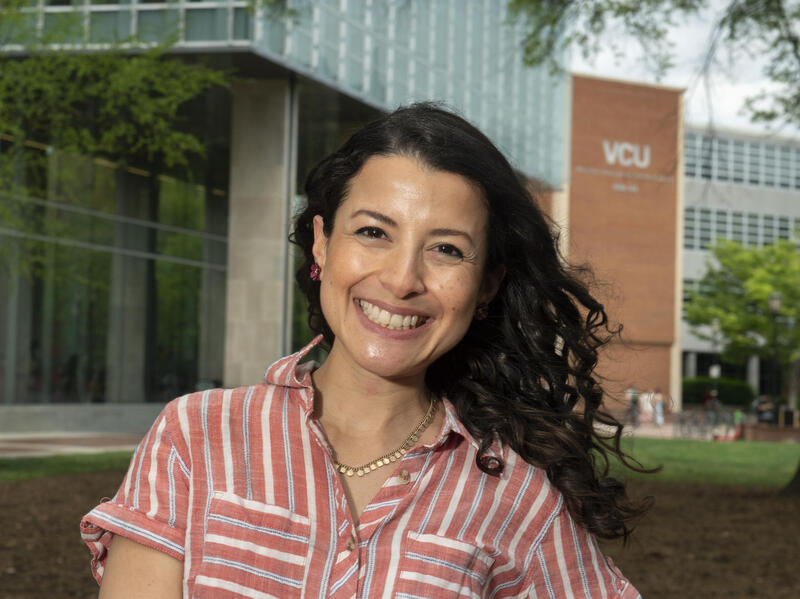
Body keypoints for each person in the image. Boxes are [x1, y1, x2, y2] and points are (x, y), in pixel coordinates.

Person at [81, 104, 647, 597]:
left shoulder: (515, 490)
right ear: (322, 244)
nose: (403, 280)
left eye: (447, 249)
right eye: (374, 232)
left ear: (487, 286)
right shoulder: (198, 436)